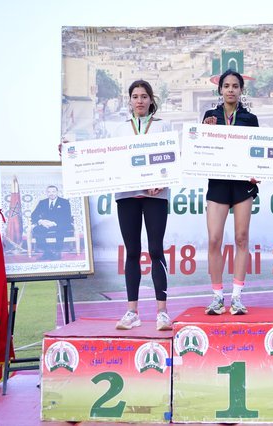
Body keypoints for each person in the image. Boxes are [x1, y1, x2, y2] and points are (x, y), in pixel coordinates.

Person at [112, 79, 173, 331]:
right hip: (127, 195)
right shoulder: (119, 130)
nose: (139, 100)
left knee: (156, 250)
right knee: (132, 252)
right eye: (135, 96)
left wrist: (163, 181)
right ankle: (132, 312)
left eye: (144, 96)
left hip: (156, 195)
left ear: (151, 100)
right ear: (129, 100)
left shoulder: (162, 126)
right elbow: (109, 160)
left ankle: (162, 313)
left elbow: (171, 159)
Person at [202, 69, 259, 316]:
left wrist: (258, 171)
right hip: (218, 183)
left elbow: (258, 151)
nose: (231, 90)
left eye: (235, 86)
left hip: (242, 184)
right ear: (220, 90)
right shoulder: (210, 117)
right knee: (214, 239)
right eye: (227, 86)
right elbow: (201, 149)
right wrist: (205, 130)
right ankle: (217, 297)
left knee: (241, 238)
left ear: (241, 90)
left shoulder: (250, 118)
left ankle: (236, 297)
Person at [30, 185, 72, 261]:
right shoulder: (42, 202)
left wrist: (54, 223)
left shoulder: (64, 202)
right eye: (49, 192)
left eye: (53, 191)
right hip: (46, 224)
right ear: (46, 193)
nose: (51, 193)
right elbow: (34, 215)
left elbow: (67, 216)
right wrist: (41, 221)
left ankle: (57, 252)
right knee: (37, 229)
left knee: (61, 228)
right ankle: (47, 251)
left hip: (59, 224)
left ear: (57, 192)